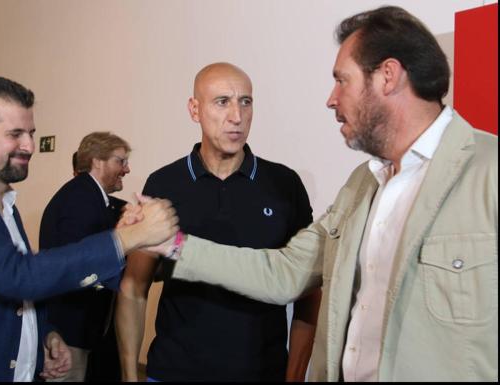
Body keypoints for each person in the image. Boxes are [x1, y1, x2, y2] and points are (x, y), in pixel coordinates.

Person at [147, 6, 497, 382]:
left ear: (388, 76)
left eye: (341, 81)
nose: (331, 99)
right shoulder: (362, 185)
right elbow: (283, 272)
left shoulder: (488, 173)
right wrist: (174, 243)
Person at [0, 75, 178, 381]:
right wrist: (127, 238)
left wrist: (45, 333)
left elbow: (8, 294)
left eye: (31, 133)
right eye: (15, 134)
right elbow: (18, 275)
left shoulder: (6, 205)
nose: (30, 145)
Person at [116, 62, 321, 382]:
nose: (237, 116)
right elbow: (134, 286)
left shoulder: (284, 185)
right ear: (194, 110)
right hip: (175, 371)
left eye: (246, 101)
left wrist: (293, 376)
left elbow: (309, 290)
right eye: (222, 101)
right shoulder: (165, 183)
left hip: (261, 371)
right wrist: (129, 376)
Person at [39, 132, 132, 381]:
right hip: (69, 332)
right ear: (97, 161)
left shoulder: (92, 198)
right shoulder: (79, 199)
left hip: (82, 330)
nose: (127, 169)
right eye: (120, 161)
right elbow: (79, 265)